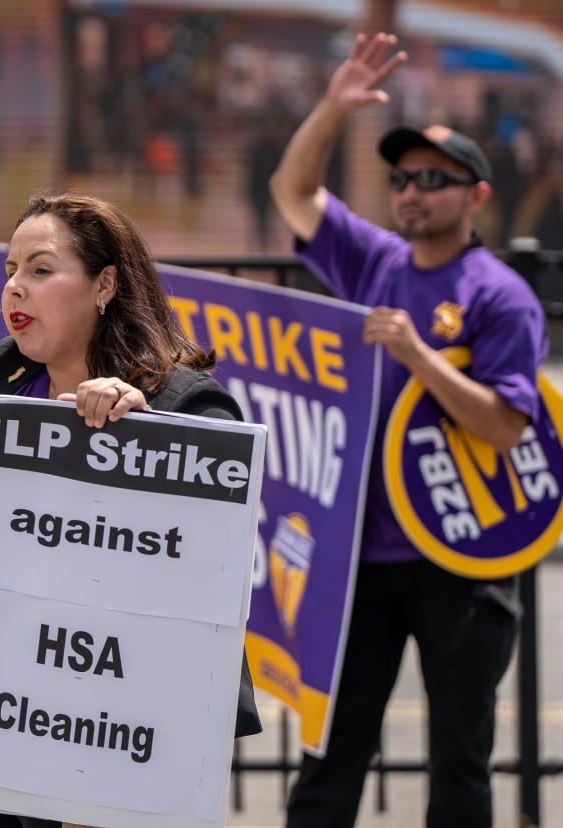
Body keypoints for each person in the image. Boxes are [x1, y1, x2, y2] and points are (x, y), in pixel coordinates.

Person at [0, 191, 263, 828]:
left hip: (112, 724)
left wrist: (144, 428)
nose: (15, 289)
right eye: (10, 272)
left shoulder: (180, 401)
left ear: (105, 284)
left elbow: (212, 547)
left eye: (41, 270)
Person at [269, 33, 546, 828]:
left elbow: (502, 428)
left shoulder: (501, 298)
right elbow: (295, 193)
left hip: (462, 554)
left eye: (433, 178)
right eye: (401, 179)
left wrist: (419, 355)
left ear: (477, 196)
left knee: (459, 764)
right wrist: (332, 106)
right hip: (365, 557)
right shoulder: (379, 263)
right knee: (330, 757)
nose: (413, 192)